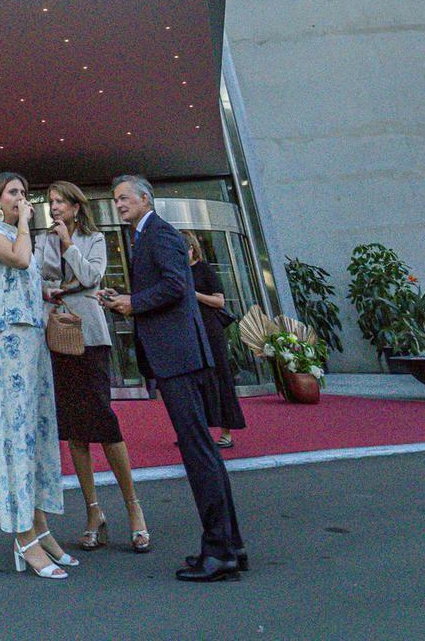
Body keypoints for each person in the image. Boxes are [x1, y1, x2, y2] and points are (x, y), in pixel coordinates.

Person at [102, 176, 246, 582]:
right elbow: (160, 293)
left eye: (124, 198)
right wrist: (123, 303)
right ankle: (231, 545)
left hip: (179, 359)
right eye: (116, 200)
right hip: (177, 357)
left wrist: (134, 302)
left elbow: (175, 286)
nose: (119, 205)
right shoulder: (143, 237)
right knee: (204, 452)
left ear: (145, 198)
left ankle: (219, 552)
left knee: (199, 453)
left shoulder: (159, 233)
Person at [35, 181, 148, 550]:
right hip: (58, 334)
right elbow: (37, 278)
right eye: (50, 203)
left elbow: (91, 278)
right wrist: (51, 284)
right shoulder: (43, 239)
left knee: (103, 419)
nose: (53, 208)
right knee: (75, 429)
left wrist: (68, 245)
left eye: (59, 202)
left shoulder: (94, 238)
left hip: (91, 336)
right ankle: (93, 511)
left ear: (75, 206)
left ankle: (134, 508)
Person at [0, 172, 71, 580]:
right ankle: (23, 535)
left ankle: (41, 525)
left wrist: (47, 294)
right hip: (6, 340)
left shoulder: (18, 232)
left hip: (32, 339)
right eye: (13, 192)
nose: (21, 199)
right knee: (15, 433)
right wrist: (24, 223)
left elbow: (25, 274)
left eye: (24, 193)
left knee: (36, 431)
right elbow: (17, 259)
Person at [184, 232, 246, 448]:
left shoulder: (204, 270)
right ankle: (195, 432)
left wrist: (195, 294)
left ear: (193, 249)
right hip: (188, 329)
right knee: (193, 382)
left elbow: (219, 301)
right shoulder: (177, 272)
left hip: (210, 329)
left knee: (219, 377)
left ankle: (226, 431)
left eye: (186, 248)